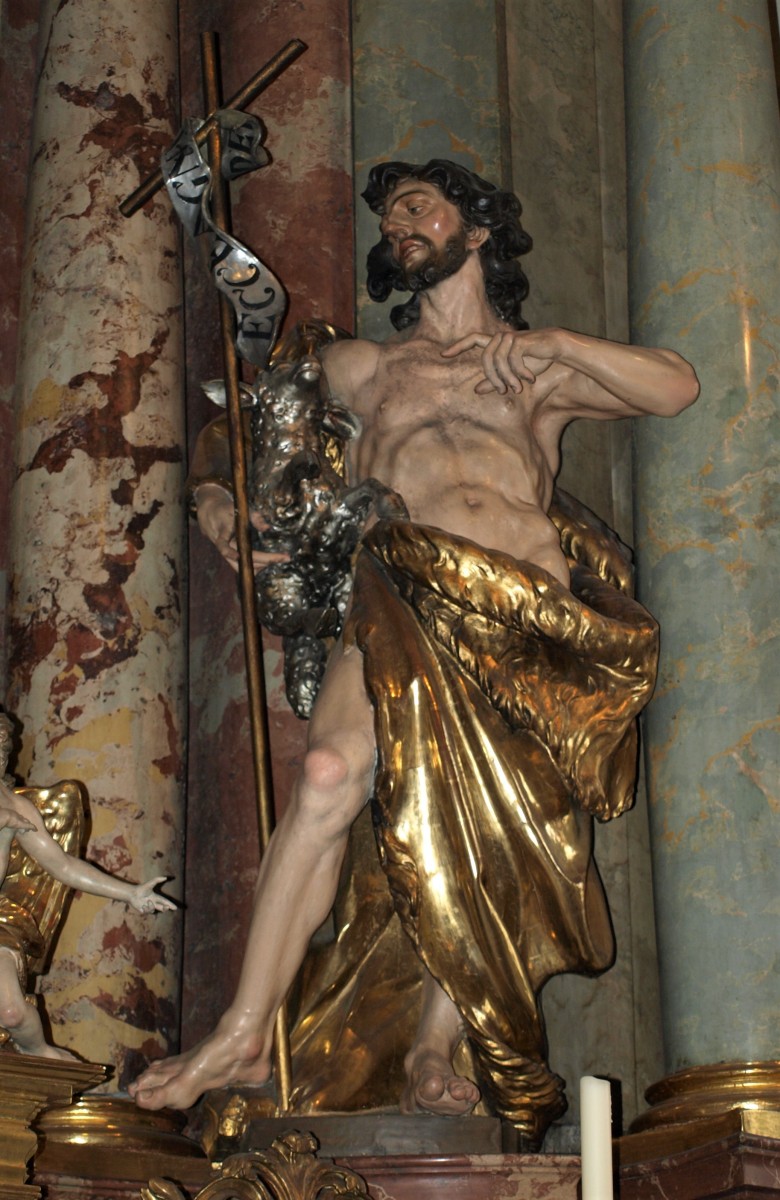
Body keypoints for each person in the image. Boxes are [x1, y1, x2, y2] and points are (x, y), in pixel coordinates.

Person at [130, 160, 698, 1141]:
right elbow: (259, 392)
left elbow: (678, 387)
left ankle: (445, 1043)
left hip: (522, 617)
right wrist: (223, 493)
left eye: (418, 207)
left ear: (477, 233)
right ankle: (241, 1030)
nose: (398, 224)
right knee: (324, 774)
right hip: (395, 592)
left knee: (483, 841)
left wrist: (553, 343)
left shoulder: (535, 367)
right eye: (390, 215)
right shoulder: (366, 370)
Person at [0, 713, 176, 1060]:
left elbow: (63, 866)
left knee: (11, 1013)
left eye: (1, 750)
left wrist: (131, 893)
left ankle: (40, 1056)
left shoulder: (15, 806)